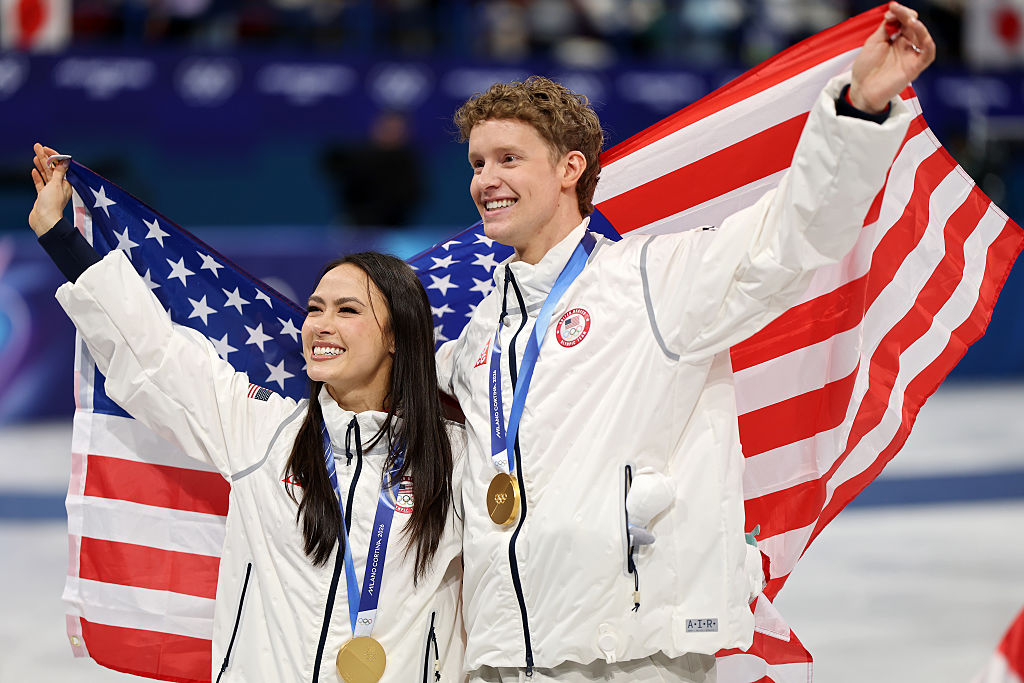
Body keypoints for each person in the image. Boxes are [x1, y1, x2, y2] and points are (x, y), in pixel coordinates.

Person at [435, 3, 933, 681]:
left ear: (569, 168)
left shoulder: (651, 279)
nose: (484, 180)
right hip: (504, 655)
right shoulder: (477, 333)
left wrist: (858, 109)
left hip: (630, 654)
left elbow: (790, 235)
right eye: (477, 162)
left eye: (508, 159)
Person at [28, 142, 466, 683]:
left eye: (348, 310)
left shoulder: (456, 456)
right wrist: (60, 236)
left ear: (398, 335)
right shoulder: (264, 431)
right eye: (314, 309)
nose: (321, 325)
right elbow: (156, 354)